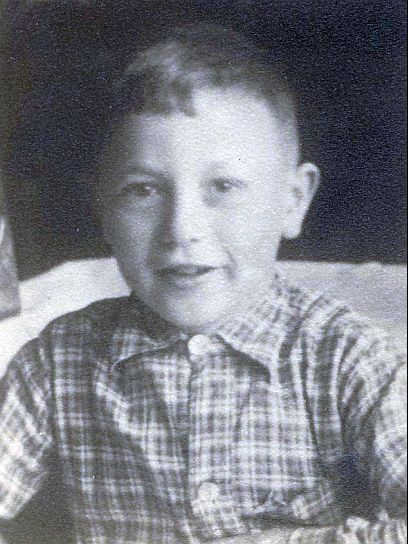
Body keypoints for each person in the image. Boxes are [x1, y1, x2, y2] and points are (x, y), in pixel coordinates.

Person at [0, 24, 406, 544]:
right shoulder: (57, 364)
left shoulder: (351, 362)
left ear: (292, 201)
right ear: (102, 205)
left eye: (223, 187)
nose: (182, 230)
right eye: (143, 190)